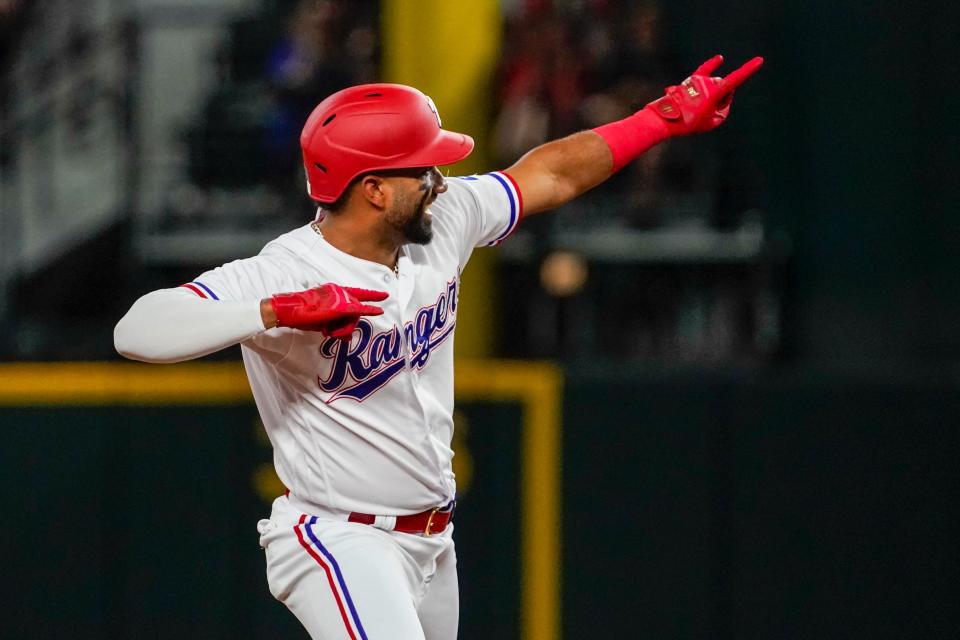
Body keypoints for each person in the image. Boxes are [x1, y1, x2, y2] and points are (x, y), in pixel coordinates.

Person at [114, 54, 763, 640]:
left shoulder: (440, 224)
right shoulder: (285, 272)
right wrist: (274, 311)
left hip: (431, 541)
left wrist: (659, 120)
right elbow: (138, 329)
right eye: (424, 168)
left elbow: (550, 174)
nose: (442, 179)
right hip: (339, 537)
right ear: (373, 189)